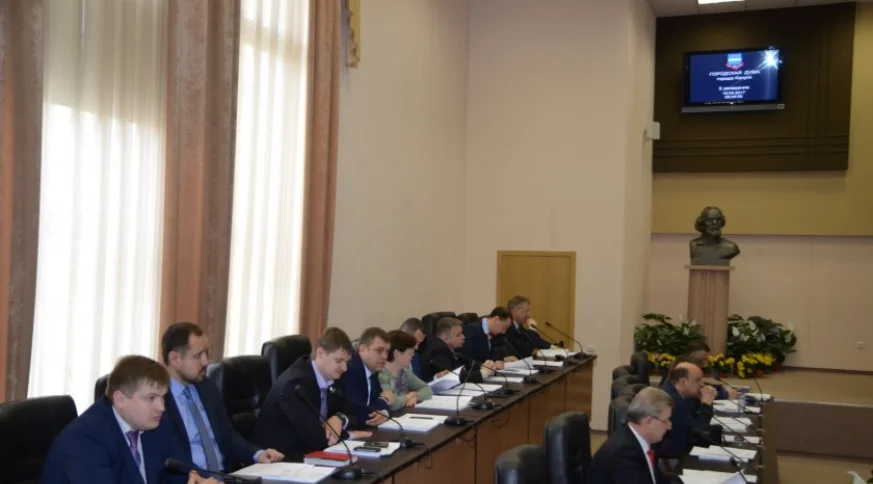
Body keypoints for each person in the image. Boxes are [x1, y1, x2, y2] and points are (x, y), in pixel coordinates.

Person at [42, 355, 217, 484]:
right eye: (151, 398)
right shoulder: (84, 440)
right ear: (120, 400)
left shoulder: (156, 422)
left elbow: (180, 471)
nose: (161, 407)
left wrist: (199, 480)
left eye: (163, 397)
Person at [159, 322, 283, 474]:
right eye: (198, 356)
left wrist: (258, 454)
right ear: (175, 359)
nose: (205, 361)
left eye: (207, 353)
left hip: (225, 475)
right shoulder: (159, 400)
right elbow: (165, 460)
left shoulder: (207, 387)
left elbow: (228, 436)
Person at [251, 327, 372, 456]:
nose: (344, 368)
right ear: (320, 353)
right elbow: (316, 438)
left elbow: (354, 412)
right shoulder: (294, 385)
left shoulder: (335, 377)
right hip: (278, 458)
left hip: (308, 454)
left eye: (346, 362)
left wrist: (339, 418)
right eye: (339, 361)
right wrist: (350, 435)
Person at [589, 387, 673, 484]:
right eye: (665, 420)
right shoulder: (623, 454)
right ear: (648, 421)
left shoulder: (640, 441)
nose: (669, 426)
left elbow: (656, 479)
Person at [657, 362, 718, 456]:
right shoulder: (673, 401)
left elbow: (693, 419)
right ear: (683, 382)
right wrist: (706, 404)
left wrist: (700, 399)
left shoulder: (675, 392)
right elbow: (698, 433)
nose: (702, 384)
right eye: (698, 380)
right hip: (675, 457)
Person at [342, 327, 394, 428]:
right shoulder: (351, 370)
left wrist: (384, 413)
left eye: (387, 352)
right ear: (362, 350)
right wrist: (384, 400)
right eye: (379, 350)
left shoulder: (373, 371)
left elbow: (374, 407)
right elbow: (360, 414)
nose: (384, 356)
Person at [421, 317, 495, 382]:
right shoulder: (438, 351)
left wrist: (483, 366)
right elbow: (451, 377)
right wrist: (481, 373)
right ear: (446, 338)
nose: (463, 337)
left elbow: (465, 365)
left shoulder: (453, 349)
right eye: (458, 335)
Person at [379, 330, 434, 410]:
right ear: (397, 353)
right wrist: (407, 397)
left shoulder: (405, 372)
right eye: (410, 352)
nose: (413, 355)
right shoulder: (382, 375)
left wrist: (415, 397)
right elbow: (391, 404)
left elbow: (427, 389)